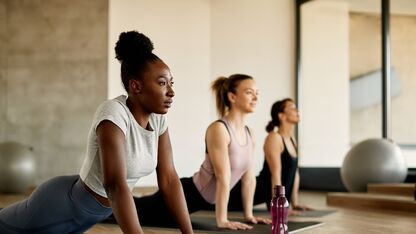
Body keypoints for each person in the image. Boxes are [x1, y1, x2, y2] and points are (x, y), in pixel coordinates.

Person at [0, 31, 193, 234]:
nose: (171, 91)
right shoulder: (113, 113)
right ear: (136, 86)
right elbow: (115, 185)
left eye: (172, 83)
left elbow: (169, 180)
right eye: (162, 83)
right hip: (59, 208)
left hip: (87, 217)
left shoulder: (158, 121)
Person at [128, 74, 271, 230]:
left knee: (133, 206)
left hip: (199, 201)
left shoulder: (250, 133)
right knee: (128, 209)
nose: (255, 97)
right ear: (232, 97)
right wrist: (222, 220)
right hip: (186, 195)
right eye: (249, 92)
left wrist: (249, 215)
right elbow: (223, 176)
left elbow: (249, 178)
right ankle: (106, 199)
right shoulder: (219, 129)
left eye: (257, 93)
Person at [227, 98, 312, 212]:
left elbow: (294, 173)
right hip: (249, 193)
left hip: (271, 194)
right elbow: (275, 175)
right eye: (292, 107)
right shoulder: (274, 138)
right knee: (211, 202)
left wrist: (294, 203)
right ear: (281, 115)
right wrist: (277, 204)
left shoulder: (292, 139)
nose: (297, 110)